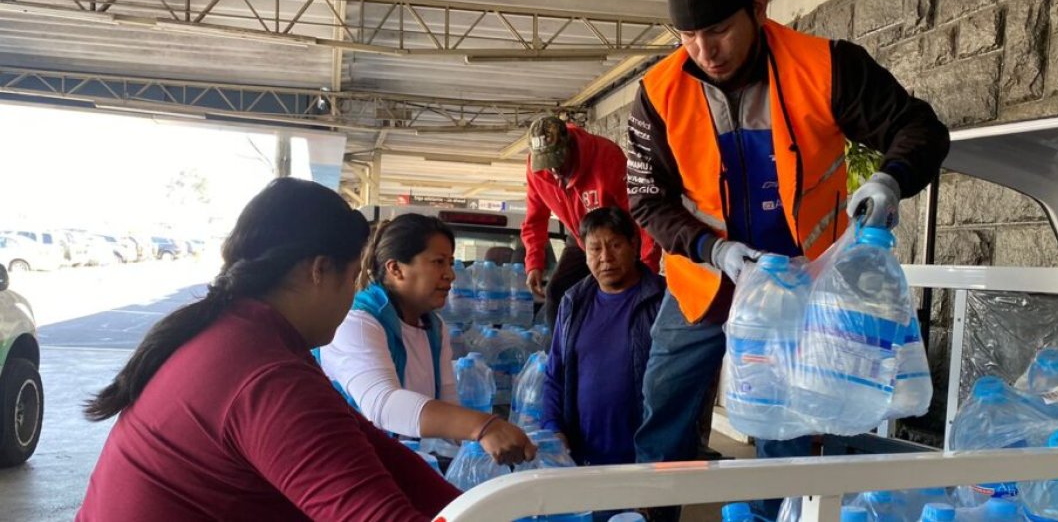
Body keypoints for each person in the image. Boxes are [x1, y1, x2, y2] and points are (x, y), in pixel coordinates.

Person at [628, 0, 950, 520]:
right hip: (705, 282)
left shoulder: (827, 67)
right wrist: (713, 249)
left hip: (800, 289)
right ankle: (652, 517)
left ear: (759, 6)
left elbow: (919, 128)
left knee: (787, 433)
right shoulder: (657, 94)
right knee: (664, 409)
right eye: (688, 35)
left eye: (720, 29)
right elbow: (646, 199)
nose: (705, 50)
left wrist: (889, 181)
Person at [77, 178, 460, 522]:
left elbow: (379, 454)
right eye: (352, 276)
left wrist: (485, 504)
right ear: (319, 270)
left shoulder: (237, 335)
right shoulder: (268, 375)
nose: (353, 293)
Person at [317, 213, 535, 465]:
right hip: (348, 463)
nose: (450, 275)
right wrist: (483, 427)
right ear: (395, 268)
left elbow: (447, 403)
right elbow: (383, 406)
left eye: (450, 263)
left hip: (402, 461)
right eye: (438, 262)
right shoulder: (359, 322)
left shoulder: (433, 326)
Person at [542, 206, 665, 467]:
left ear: (635, 244)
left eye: (615, 245)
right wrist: (553, 430)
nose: (605, 257)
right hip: (582, 458)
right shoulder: (572, 303)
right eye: (595, 249)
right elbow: (555, 373)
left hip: (648, 460)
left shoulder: (663, 301)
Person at [521, 115, 661, 329]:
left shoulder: (606, 157)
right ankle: (561, 355)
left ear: (569, 145)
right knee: (558, 292)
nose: (554, 170)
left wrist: (648, 263)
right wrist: (534, 263)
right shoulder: (537, 170)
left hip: (619, 236)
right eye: (547, 164)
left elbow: (640, 213)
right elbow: (535, 217)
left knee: (622, 294)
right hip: (581, 237)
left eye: (558, 160)